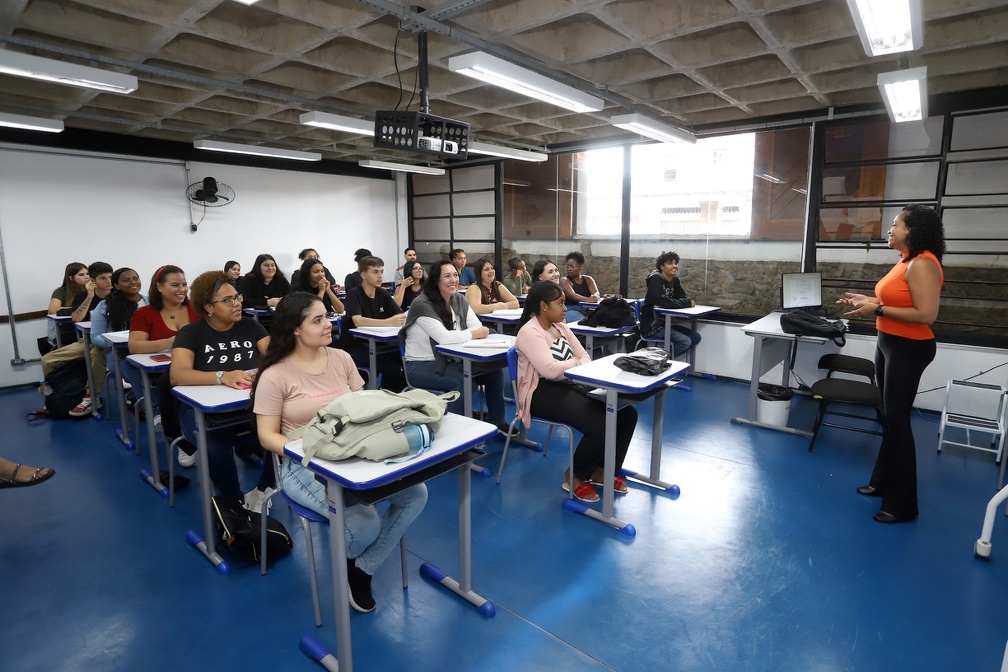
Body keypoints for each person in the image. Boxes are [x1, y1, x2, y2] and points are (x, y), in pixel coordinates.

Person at [253, 292, 427, 613]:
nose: (328, 324)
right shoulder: (275, 374)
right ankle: (356, 559)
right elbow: (266, 436)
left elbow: (363, 407)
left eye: (327, 317)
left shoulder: (342, 359)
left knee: (416, 493)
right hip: (303, 465)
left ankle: (362, 568)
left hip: (353, 454)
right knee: (364, 526)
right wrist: (308, 451)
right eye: (317, 320)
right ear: (294, 328)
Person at [838, 205, 945, 524]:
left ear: (912, 230)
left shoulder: (924, 263)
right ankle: (882, 481)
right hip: (890, 342)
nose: (890, 229)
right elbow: (897, 303)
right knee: (888, 416)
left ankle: (902, 504)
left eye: (896, 224)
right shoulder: (906, 261)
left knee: (897, 420)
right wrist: (868, 303)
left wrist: (878, 310)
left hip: (909, 347)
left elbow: (926, 315)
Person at [515, 281, 639, 503]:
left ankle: (603, 470)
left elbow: (586, 358)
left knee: (627, 414)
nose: (565, 308)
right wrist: (573, 363)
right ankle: (575, 476)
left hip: (570, 383)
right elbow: (550, 371)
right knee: (600, 422)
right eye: (560, 303)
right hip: (540, 392)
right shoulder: (530, 332)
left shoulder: (560, 326)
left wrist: (571, 365)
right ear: (544, 306)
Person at [170, 271, 273, 509]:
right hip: (202, 413)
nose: (237, 304)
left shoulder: (251, 327)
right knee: (215, 443)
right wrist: (220, 376)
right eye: (227, 300)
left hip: (248, 406)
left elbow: (275, 357)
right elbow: (177, 375)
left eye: (237, 297)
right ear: (208, 306)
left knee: (282, 428)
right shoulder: (191, 333)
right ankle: (233, 501)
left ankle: (264, 489)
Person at [401, 260, 511, 434]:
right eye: (447, 276)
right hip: (421, 365)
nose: (453, 280)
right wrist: (472, 334)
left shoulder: (458, 299)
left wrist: (470, 333)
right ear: (436, 280)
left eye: (455, 275)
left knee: (493, 373)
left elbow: (476, 325)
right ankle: (454, 431)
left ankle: (497, 422)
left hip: (450, 359)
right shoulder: (422, 303)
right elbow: (444, 338)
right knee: (463, 380)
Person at [40, 261, 114, 416]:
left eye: (110, 277)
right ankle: (57, 397)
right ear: (93, 281)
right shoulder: (82, 296)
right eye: (103, 278)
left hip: (107, 342)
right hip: (87, 341)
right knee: (48, 360)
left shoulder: (117, 296)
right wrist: (89, 296)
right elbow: (77, 318)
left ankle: (92, 397)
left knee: (96, 355)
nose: (108, 282)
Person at [340, 256, 407, 391]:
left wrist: (398, 319)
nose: (380, 276)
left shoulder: (382, 293)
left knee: (409, 363)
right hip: (357, 346)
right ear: (364, 275)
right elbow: (357, 321)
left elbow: (399, 314)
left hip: (381, 345)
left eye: (382, 271)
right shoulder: (354, 293)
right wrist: (387, 322)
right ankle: (384, 397)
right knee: (392, 368)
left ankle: (395, 394)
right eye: (375, 272)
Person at [91, 267, 148, 410]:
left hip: (150, 349)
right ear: (116, 285)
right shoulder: (106, 305)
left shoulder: (151, 303)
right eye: (126, 280)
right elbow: (95, 336)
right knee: (137, 374)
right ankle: (149, 408)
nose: (133, 282)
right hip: (119, 353)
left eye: (135, 278)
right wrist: (117, 343)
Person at [640, 251, 701, 358]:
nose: (674, 266)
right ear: (662, 266)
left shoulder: (675, 280)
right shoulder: (655, 279)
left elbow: (683, 297)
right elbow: (662, 300)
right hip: (652, 327)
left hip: (666, 324)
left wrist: (671, 303)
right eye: (670, 263)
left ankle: (664, 361)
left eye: (676, 263)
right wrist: (685, 303)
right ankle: (658, 362)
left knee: (695, 337)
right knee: (685, 342)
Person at [46, 262, 89, 348]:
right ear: (71, 278)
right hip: (68, 329)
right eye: (81, 275)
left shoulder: (93, 290)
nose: (86, 277)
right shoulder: (61, 291)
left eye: (88, 274)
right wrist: (79, 308)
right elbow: (53, 309)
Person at [560, 252, 600, 323]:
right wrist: (587, 299)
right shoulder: (564, 280)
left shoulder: (588, 279)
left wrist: (595, 297)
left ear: (581, 267)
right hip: (570, 310)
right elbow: (572, 295)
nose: (569, 269)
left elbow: (596, 292)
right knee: (585, 323)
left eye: (572, 266)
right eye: (567, 266)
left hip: (587, 310)